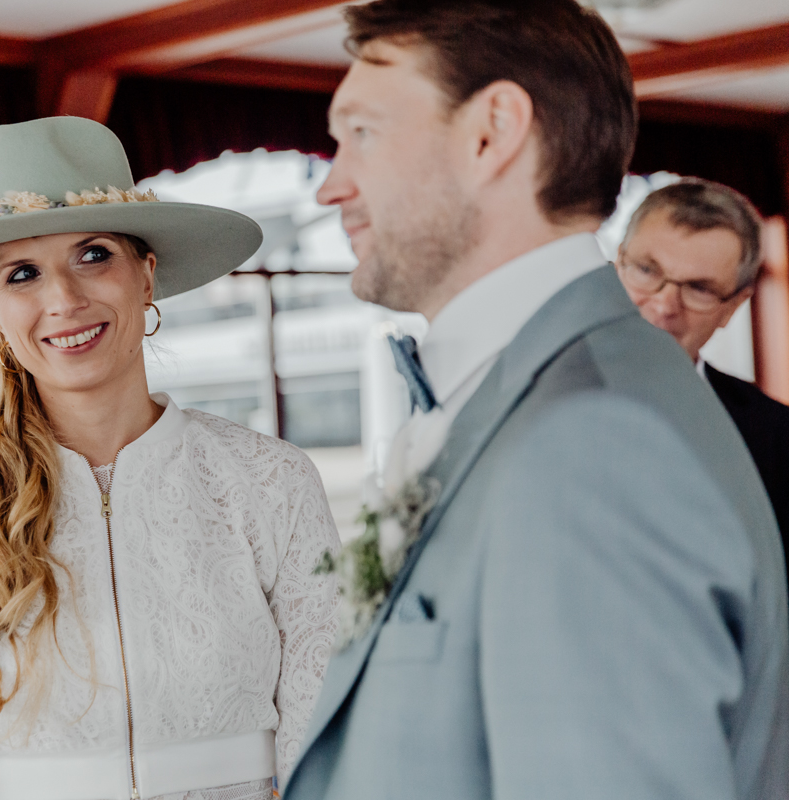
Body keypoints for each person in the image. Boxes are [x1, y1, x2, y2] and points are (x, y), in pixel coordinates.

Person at [284, 1, 789, 799]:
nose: (331, 185)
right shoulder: (530, 397)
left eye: (362, 134)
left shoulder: (594, 442)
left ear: (491, 133)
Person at [0, 117, 341, 800]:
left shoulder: (269, 482)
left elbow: (328, 733)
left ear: (146, 274)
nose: (64, 300)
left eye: (93, 255)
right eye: (23, 273)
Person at [617, 179, 789, 551]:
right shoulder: (526, 395)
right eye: (647, 270)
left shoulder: (778, 439)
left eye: (699, 289)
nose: (664, 307)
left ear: (734, 306)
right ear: (618, 264)